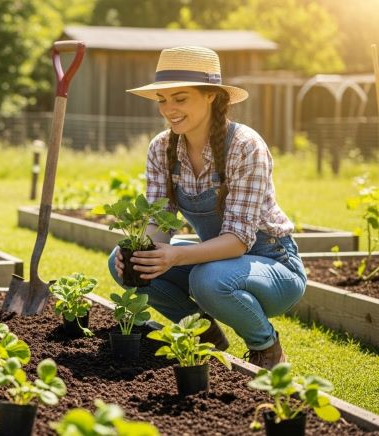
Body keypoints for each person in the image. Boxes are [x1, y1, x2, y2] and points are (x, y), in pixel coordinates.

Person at [108, 46, 306, 369]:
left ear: (211, 95)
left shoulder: (244, 146)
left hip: (274, 265)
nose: (168, 109)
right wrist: (142, 250)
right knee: (127, 264)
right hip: (217, 261)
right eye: (162, 99)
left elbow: (239, 241)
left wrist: (175, 256)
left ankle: (267, 348)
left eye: (180, 98)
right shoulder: (162, 148)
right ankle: (204, 333)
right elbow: (161, 223)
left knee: (207, 279)